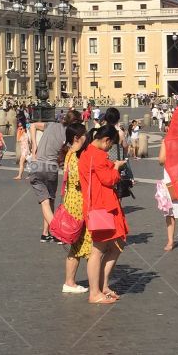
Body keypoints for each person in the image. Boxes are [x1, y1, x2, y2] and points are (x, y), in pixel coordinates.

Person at [78, 124, 129, 303]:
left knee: (117, 244)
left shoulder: (88, 153)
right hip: (102, 206)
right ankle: (95, 292)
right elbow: (108, 179)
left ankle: (103, 286)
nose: (111, 148)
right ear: (106, 140)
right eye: (111, 145)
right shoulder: (97, 155)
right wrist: (116, 167)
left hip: (102, 205)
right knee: (98, 250)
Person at [29, 112, 71, 242]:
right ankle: (57, 231)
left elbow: (33, 125)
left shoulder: (50, 125)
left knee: (46, 201)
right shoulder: (67, 134)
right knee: (49, 201)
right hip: (51, 168)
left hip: (36, 166)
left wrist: (34, 145)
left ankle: (45, 233)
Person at [60, 125, 91, 295]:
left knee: (77, 244)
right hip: (77, 201)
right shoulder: (75, 157)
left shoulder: (70, 153)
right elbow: (79, 179)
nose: (86, 136)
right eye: (83, 134)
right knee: (80, 243)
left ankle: (70, 281)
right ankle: (70, 282)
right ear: (76, 138)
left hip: (72, 199)